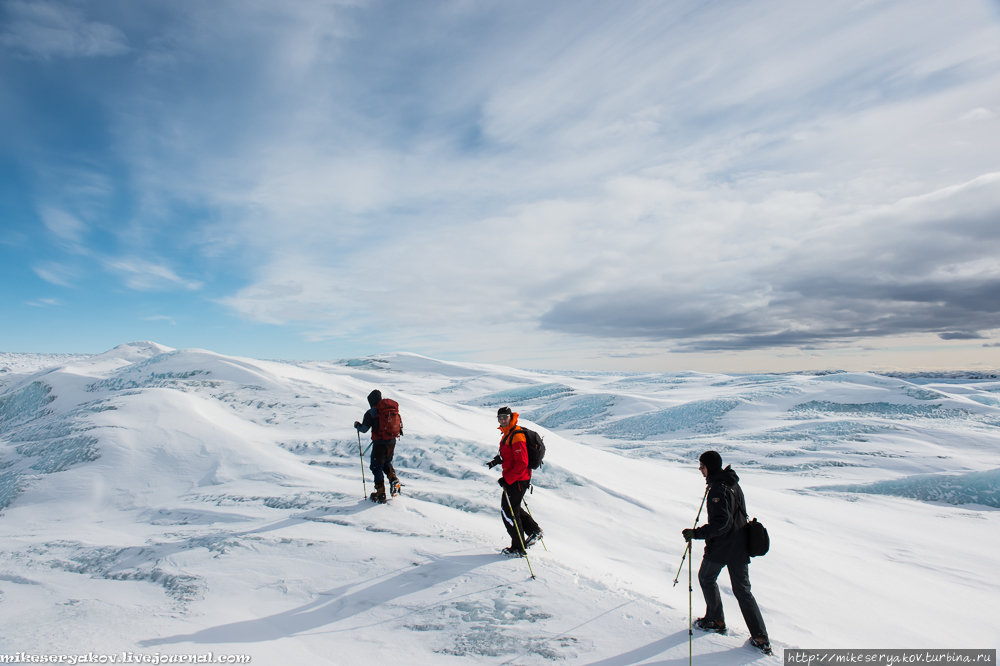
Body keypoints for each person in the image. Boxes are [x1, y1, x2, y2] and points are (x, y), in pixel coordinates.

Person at [682, 451, 771, 655]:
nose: (700, 469)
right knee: (743, 591)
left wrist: (696, 533)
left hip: (724, 547)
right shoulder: (731, 482)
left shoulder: (717, 489)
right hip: (740, 545)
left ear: (710, 467)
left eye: (702, 466)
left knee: (706, 577)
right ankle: (760, 637)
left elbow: (721, 523)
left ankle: (715, 620)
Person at [488, 406, 542, 557]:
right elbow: (512, 456)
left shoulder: (516, 435)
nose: (502, 420)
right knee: (513, 508)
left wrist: (507, 479)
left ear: (511, 417)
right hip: (517, 478)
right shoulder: (508, 433)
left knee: (508, 512)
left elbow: (522, 463)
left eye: (505, 417)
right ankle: (533, 531)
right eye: (500, 418)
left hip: (518, 479)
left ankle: (518, 548)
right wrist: (499, 461)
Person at [354, 389, 402, 503]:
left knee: (376, 466)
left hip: (380, 443)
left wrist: (357, 426)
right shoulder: (389, 410)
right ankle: (393, 479)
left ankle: (380, 493)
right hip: (392, 442)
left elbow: (364, 429)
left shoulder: (371, 412)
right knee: (386, 463)